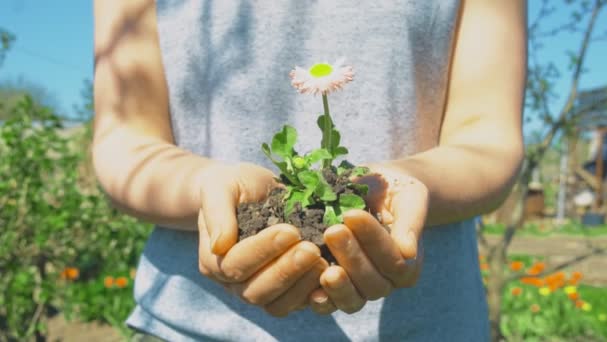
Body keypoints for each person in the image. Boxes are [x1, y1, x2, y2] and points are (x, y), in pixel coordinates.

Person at [92, 0, 526, 340]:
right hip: (189, 326)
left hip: (427, 326)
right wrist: (206, 191)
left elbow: (487, 137)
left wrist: (393, 189)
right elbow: (126, 139)